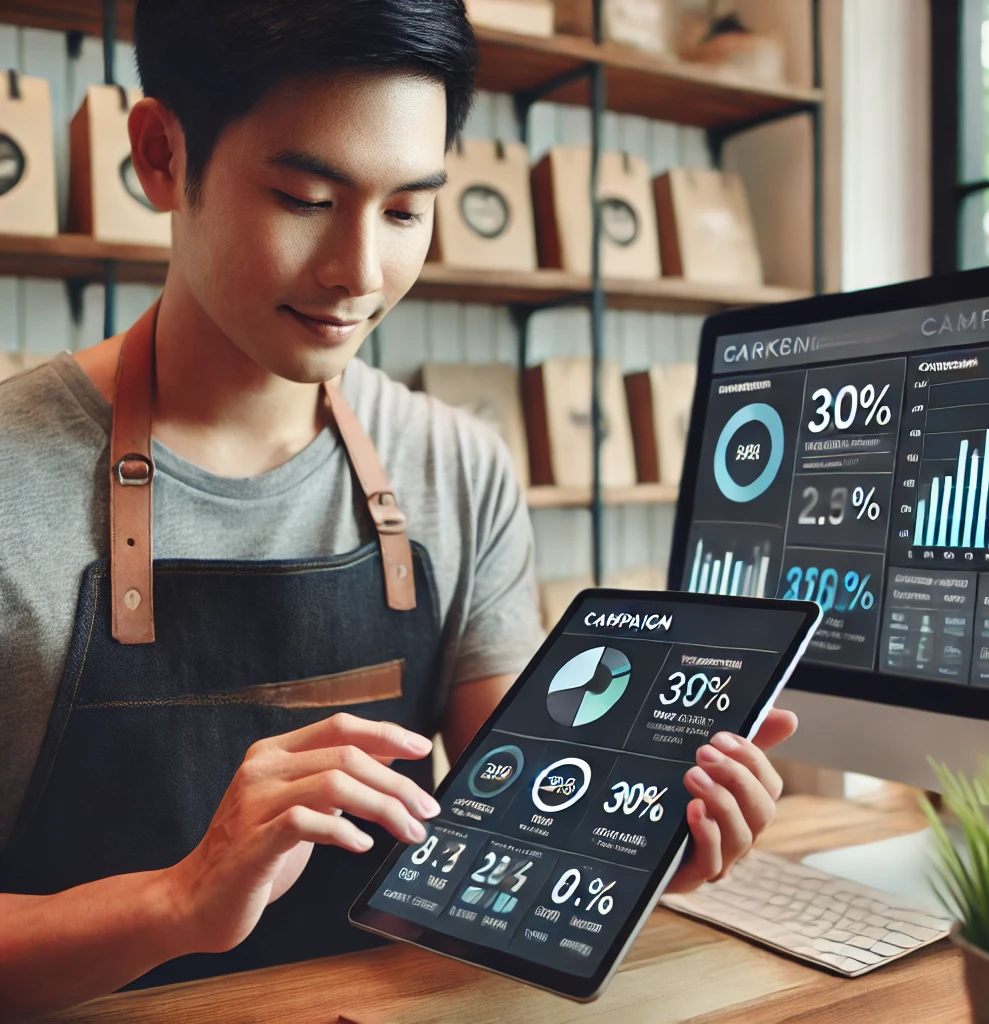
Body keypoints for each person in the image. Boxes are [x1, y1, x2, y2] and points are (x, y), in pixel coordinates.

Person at [0, 1, 798, 1019]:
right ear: (162, 156)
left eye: (408, 210)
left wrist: (631, 854)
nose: (360, 272)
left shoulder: (456, 467)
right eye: (302, 197)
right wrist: (179, 900)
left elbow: (521, 830)